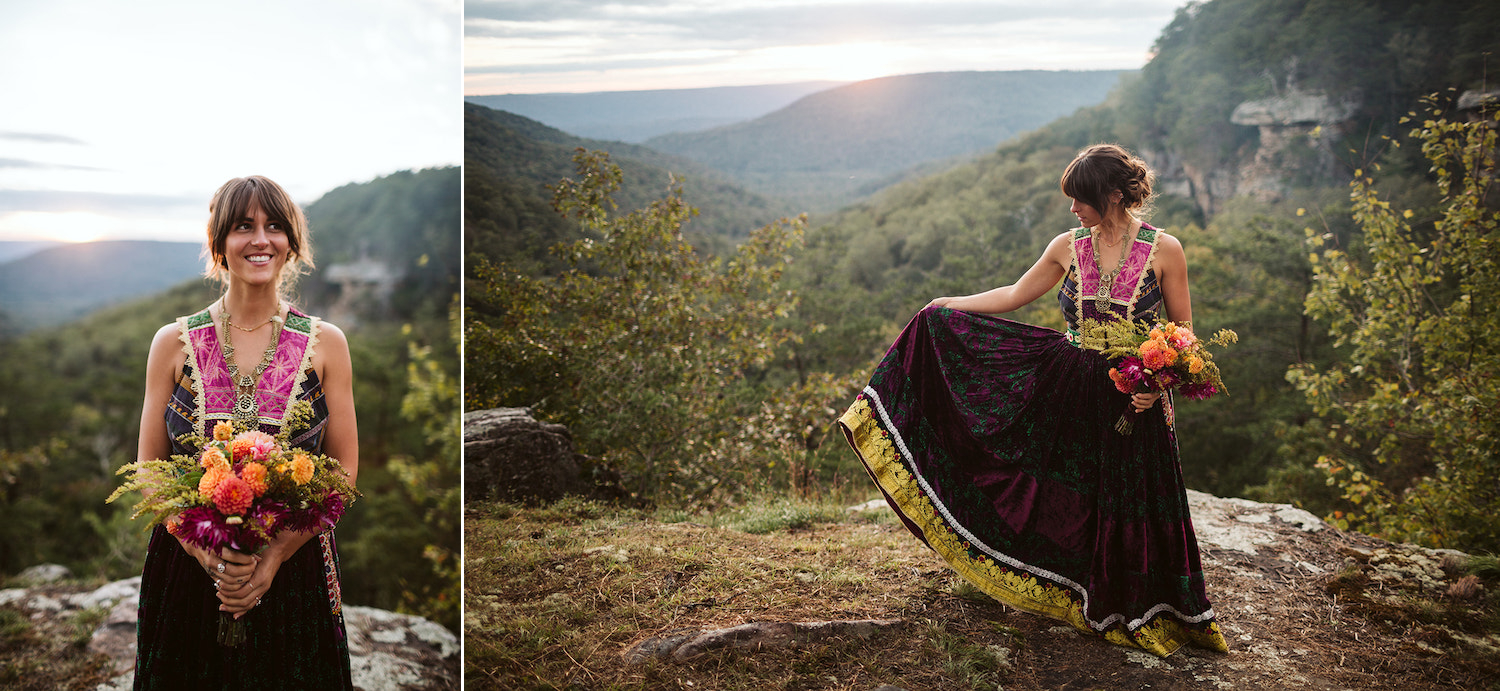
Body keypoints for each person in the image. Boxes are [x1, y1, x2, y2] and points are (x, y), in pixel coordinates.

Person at [837, 144, 1228, 657]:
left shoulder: (1166, 250)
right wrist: (946, 306)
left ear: (1112, 195)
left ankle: (1135, 601)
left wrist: (1158, 386)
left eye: (1080, 199)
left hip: (1134, 398)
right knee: (1069, 491)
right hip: (1069, 389)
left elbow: (1185, 334)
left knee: (1128, 497)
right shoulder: (1067, 245)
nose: (1072, 210)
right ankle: (1076, 589)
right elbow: (1014, 294)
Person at [132, 175, 358, 688]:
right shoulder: (172, 343)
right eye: (243, 226)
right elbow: (148, 467)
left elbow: (344, 471)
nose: (261, 239)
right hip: (187, 571)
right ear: (219, 242)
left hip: (294, 569)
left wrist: (274, 556)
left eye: (275, 226)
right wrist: (202, 550)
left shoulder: (328, 345)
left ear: (291, 242)